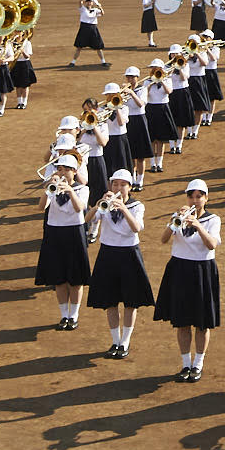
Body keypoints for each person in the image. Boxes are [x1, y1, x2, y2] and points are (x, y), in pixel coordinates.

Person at [155, 178, 223, 381]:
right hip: (180, 269)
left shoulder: (213, 220)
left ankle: (198, 364)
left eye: (199, 197)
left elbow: (212, 244)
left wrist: (198, 225)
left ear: (206, 198)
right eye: (191, 196)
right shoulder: (179, 218)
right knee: (182, 321)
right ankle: (186, 364)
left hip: (203, 270)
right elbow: (163, 239)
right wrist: (176, 219)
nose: (195, 200)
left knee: (202, 323)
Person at [88, 169, 154, 358]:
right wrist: (99, 204)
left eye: (122, 184)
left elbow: (136, 228)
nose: (118, 188)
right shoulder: (106, 205)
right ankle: (115, 341)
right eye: (115, 184)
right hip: (107, 253)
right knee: (110, 301)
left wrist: (123, 209)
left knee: (130, 302)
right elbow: (87, 219)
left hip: (129, 254)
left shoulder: (137, 206)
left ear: (129, 187)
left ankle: (125, 341)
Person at [38, 153, 92, 331]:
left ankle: (74, 315)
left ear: (74, 171)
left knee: (75, 279)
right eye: (60, 169)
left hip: (74, 233)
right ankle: (64, 315)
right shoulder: (53, 187)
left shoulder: (82, 189)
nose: (62, 173)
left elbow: (80, 208)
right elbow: (41, 207)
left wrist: (69, 190)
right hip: (54, 232)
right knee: (58, 277)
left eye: (66, 170)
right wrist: (48, 188)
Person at [69, 0, 109, 69]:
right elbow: (80, 2)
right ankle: (73, 62)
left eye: (90, 1)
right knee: (79, 47)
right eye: (87, 1)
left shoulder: (95, 10)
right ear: (85, 2)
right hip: (84, 29)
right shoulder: (83, 9)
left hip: (93, 29)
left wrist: (100, 7)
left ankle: (103, 61)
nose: (89, 3)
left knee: (98, 47)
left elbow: (102, 13)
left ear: (92, 2)